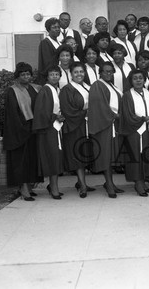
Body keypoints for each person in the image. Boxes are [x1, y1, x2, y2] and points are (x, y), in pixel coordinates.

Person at [3, 62, 42, 201]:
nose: (26, 76)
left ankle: (30, 187)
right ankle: (24, 188)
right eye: (23, 74)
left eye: (28, 74)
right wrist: (24, 128)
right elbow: (13, 114)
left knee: (32, 160)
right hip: (20, 132)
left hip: (34, 130)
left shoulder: (36, 88)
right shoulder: (12, 91)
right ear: (17, 76)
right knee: (22, 161)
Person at [87, 62, 123, 198]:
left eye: (110, 71)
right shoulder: (97, 85)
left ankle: (111, 183)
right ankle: (108, 183)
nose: (108, 74)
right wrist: (115, 115)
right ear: (100, 73)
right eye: (105, 71)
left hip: (113, 125)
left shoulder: (112, 86)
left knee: (111, 155)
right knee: (106, 156)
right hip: (104, 125)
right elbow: (99, 105)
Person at [59, 62, 95, 198]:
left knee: (86, 154)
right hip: (75, 127)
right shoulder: (67, 89)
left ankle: (81, 182)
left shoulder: (88, 87)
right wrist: (85, 112)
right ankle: (83, 186)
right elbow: (67, 111)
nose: (79, 74)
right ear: (71, 74)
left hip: (87, 125)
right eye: (76, 72)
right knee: (78, 155)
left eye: (81, 72)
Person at [120, 69, 149, 196]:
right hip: (134, 131)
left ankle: (143, 181)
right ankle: (138, 183)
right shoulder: (127, 95)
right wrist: (143, 119)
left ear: (144, 79)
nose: (138, 80)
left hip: (148, 130)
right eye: (135, 78)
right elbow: (128, 115)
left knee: (146, 157)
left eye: (140, 78)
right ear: (131, 81)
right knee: (135, 157)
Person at [32, 64, 65, 199]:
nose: (54, 76)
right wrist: (55, 116)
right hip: (48, 129)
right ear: (47, 77)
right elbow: (41, 111)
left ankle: (53, 185)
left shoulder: (57, 90)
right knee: (52, 158)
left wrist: (61, 116)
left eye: (57, 74)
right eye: (52, 74)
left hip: (56, 128)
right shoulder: (45, 90)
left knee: (56, 158)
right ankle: (54, 188)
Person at [37, 17, 61, 85]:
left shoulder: (59, 43)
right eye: (54, 27)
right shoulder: (45, 43)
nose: (57, 29)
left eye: (58, 27)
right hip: (51, 78)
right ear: (48, 29)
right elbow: (48, 62)